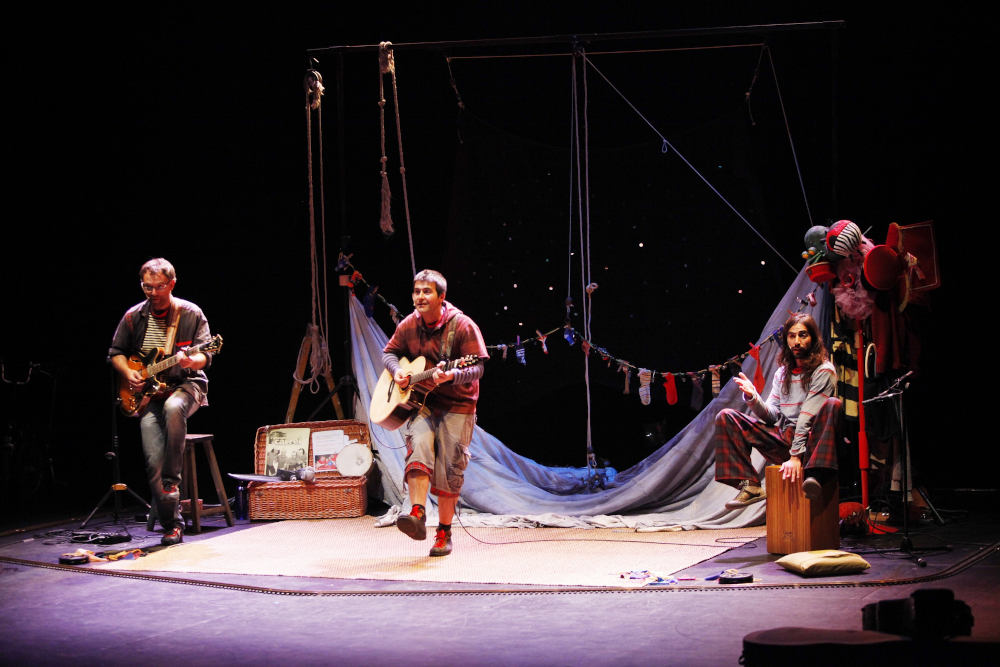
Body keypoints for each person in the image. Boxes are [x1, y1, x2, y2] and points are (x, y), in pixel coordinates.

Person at [382, 269, 488, 557]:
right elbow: (389, 353)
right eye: (416, 291)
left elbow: (477, 367)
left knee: (449, 469)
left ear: (441, 297)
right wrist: (397, 370)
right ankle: (416, 514)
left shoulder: (463, 325)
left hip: (458, 404)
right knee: (417, 446)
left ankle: (444, 532)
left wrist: (452, 375)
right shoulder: (409, 324)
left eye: (426, 291)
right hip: (423, 403)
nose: (420, 297)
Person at [109, 258, 213, 545]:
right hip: (149, 395)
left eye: (159, 287)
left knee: (173, 406)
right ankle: (172, 525)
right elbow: (116, 352)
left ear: (172, 284)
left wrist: (192, 360)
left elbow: (206, 355)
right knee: (152, 459)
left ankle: (172, 479)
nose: (153, 293)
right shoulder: (133, 316)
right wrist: (129, 372)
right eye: (147, 287)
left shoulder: (190, 313)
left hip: (187, 386)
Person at [714, 312, 841, 509]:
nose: (796, 341)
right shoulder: (782, 373)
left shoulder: (823, 370)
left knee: (833, 404)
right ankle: (750, 486)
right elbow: (772, 416)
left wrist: (795, 456)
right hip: (786, 439)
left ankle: (816, 475)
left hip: (814, 443)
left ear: (813, 339)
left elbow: (807, 415)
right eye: (792, 336)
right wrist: (753, 397)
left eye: (802, 335)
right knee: (726, 417)